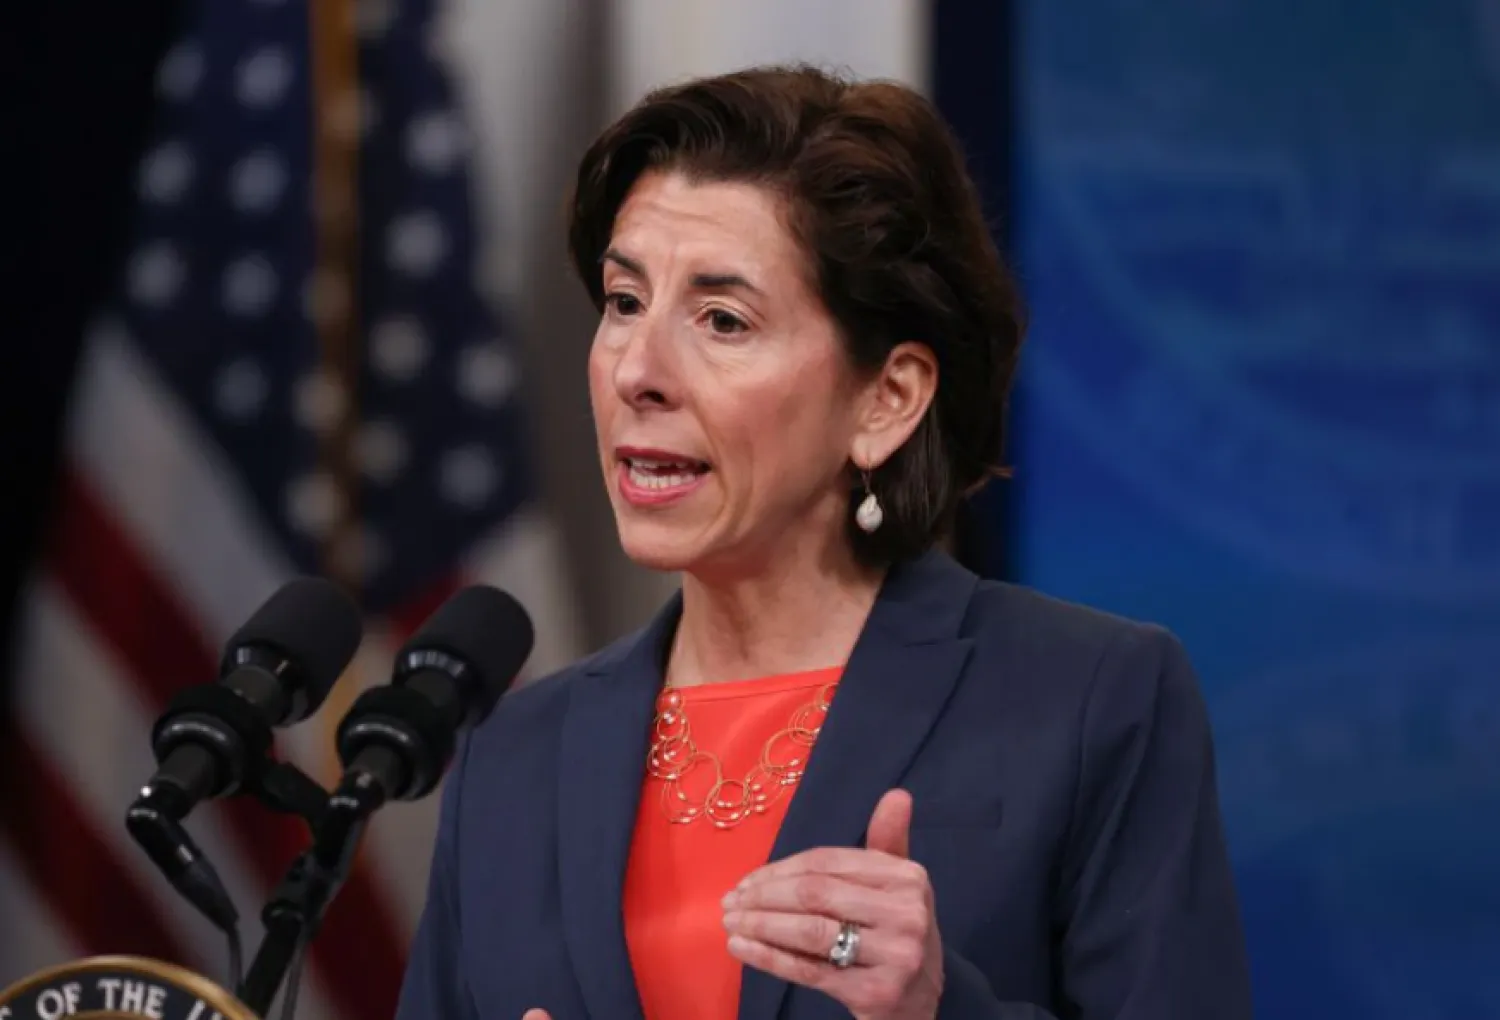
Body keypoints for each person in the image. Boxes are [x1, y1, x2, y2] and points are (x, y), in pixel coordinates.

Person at [395, 65, 1253, 1020]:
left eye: (723, 319)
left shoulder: (1093, 701)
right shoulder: (513, 756)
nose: (638, 369)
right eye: (624, 301)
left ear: (886, 400)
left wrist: (937, 1011)